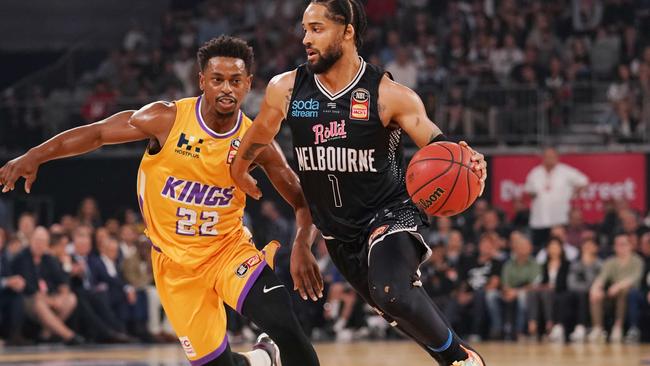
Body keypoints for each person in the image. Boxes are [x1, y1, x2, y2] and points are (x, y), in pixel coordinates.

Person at [0, 36, 320, 366]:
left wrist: (302, 244)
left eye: (236, 81)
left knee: (286, 326)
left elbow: (300, 199)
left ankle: (274, 346)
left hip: (227, 252)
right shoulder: (166, 119)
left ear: (249, 84)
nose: (227, 88)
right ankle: (264, 358)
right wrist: (35, 156)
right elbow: (96, 133)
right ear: (202, 81)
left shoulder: (256, 141)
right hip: (174, 264)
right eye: (218, 79)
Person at [231, 2, 487, 365]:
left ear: (347, 32)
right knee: (397, 311)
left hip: (390, 214)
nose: (306, 38)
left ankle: (462, 359)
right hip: (338, 233)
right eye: (304, 29)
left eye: (317, 29)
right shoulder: (286, 89)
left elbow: (439, 144)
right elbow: (258, 136)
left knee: (393, 294)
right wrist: (240, 169)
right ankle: (459, 357)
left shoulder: (389, 95)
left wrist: (470, 160)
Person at [524, 147, 588, 250]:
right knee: (539, 250)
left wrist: (574, 194)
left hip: (560, 219)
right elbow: (528, 190)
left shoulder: (566, 171)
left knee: (560, 249)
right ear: (543, 158)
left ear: (557, 157)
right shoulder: (535, 173)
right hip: (539, 220)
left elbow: (584, 181)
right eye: (547, 156)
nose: (549, 159)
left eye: (552, 156)